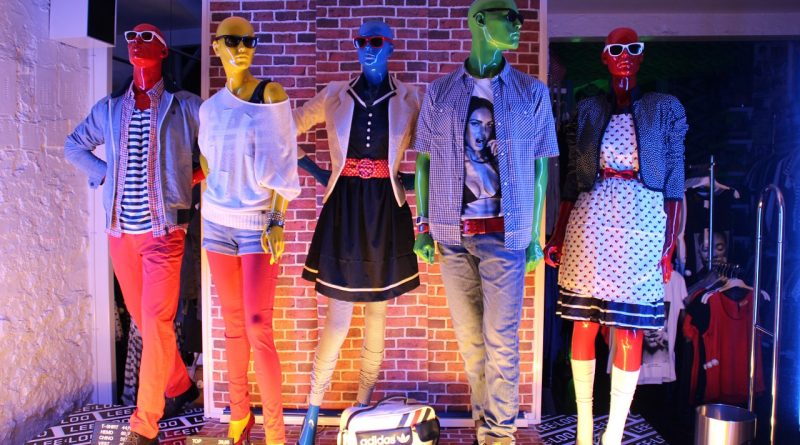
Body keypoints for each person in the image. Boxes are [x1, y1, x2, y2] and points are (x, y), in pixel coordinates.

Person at [412, 1, 559, 443]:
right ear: (479, 20)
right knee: (471, 343)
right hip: (451, 235)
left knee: (501, 342)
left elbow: (540, 168)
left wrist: (533, 235)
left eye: (519, 18)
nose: (516, 24)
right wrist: (422, 226)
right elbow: (423, 162)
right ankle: (484, 427)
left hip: (505, 235)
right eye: (507, 16)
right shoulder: (440, 92)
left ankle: (500, 435)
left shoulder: (531, 93)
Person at [543, 27, 687, 445]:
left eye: (633, 48)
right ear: (605, 57)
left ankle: (615, 430)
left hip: (643, 220)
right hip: (591, 219)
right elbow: (572, 180)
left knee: (629, 327)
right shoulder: (588, 109)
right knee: (584, 322)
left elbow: (675, 184)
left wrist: (668, 247)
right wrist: (557, 234)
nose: (625, 55)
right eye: (616, 49)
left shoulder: (664, 108)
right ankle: (584, 424)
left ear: (642, 56)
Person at [64, 24, 202, 445]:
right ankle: (181, 386)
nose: (136, 43)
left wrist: (190, 178)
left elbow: (219, 145)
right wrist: (106, 174)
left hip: (164, 232)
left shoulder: (184, 106)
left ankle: (144, 425)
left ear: (163, 51)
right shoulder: (109, 109)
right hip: (120, 233)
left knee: (157, 322)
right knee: (145, 322)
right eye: (131, 38)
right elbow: (73, 146)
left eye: (146, 37)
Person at [293, 19, 422, 445]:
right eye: (361, 41)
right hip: (345, 207)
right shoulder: (335, 94)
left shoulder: (409, 98)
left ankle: (361, 408)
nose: (368, 48)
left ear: (390, 47)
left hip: (386, 208)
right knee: (338, 318)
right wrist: (315, 170)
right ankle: (313, 411)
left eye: (376, 41)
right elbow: (289, 126)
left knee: (377, 315)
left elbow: (432, 151)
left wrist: (410, 183)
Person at [198, 16, 300, 445]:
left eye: (250, 41)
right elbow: (206, 160)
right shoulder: (208, 109)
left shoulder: (269, 95)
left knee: (259, 326)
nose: (242, 48)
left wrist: (277, 220)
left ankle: (275, 434)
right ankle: (239, 415)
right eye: (233, 41)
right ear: (216, 47)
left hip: (257, 226)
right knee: (233, 325)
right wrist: (222, 186)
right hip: (216, 224)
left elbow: (284, 161)